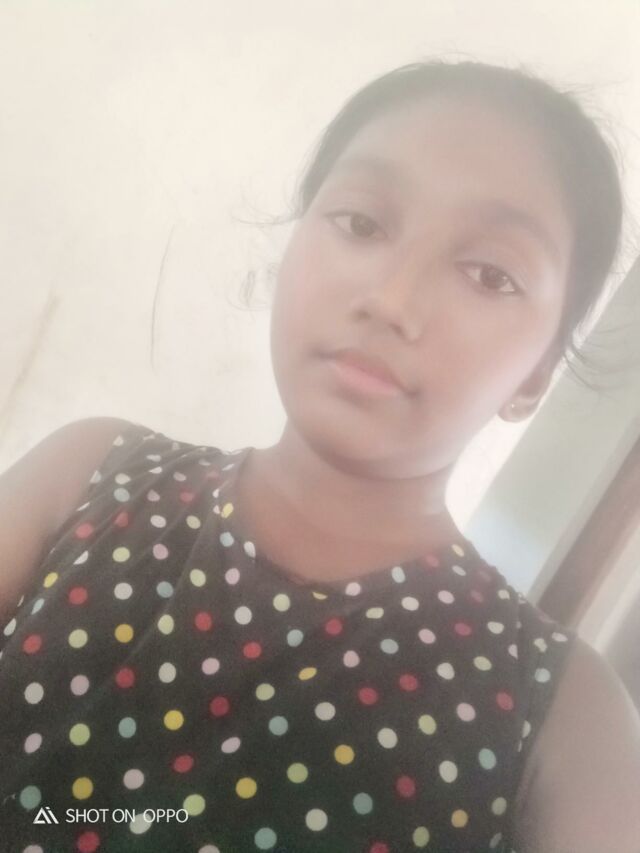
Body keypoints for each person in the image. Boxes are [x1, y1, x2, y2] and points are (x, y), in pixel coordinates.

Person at [1, 59, 639, 853]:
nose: (392, 299)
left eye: (489, 274)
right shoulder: (89, 475)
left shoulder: (563, 711)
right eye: (362, 223)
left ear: (536, 374)